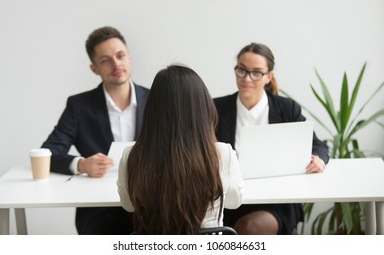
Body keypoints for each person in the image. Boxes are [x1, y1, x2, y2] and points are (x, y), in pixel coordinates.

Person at [41, 26, 149, 234]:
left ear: (129, 57)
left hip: (149, 203)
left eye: (120, 56)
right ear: (94, 68)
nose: (116, 64)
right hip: (99, 209)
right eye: (105, 60)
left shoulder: (156, 99)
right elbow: (49, 152)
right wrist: (81, 164)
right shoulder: (79, 106)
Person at [214, 42, 329, 235]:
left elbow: (318, 145)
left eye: (256, 72)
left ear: (269, 77)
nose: (247, 78)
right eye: (241, 70)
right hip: (231, 200)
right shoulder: (217, 108)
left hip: (277, 201)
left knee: (248, 229)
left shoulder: (286, 109)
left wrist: (318, 159)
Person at [117, 65, 244, 234]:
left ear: (152, 110)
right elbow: (235, 202)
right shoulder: (222, 153)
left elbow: (129, 205)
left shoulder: (131, 155)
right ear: (203, 108)